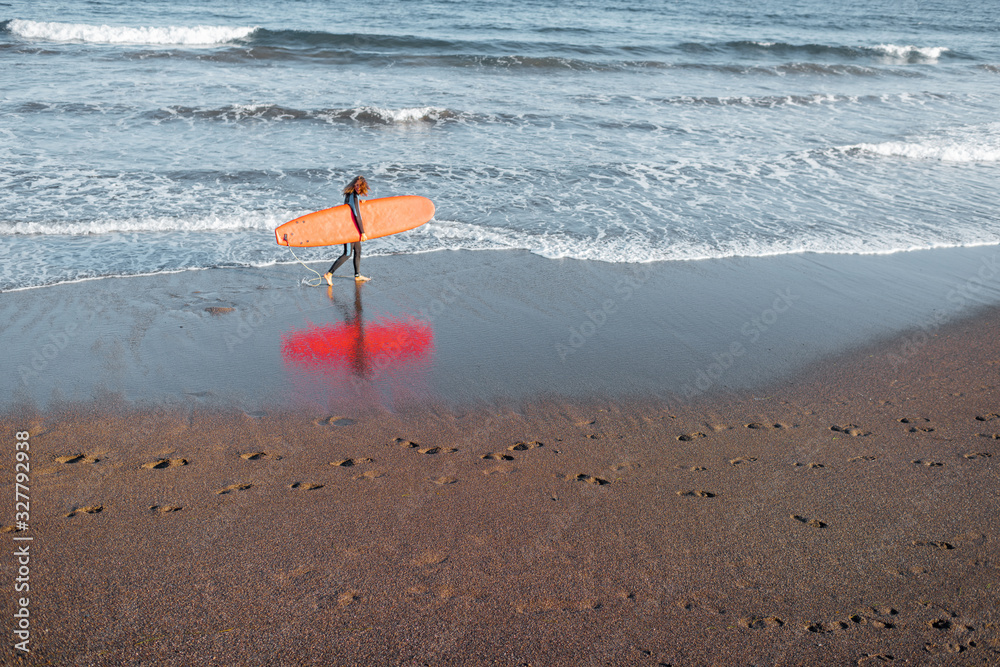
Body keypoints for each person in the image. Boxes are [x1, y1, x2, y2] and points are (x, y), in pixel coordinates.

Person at [324, 175, 371, 285]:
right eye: (357, 185)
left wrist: (360, 201)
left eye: (360, 186)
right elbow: (356, 215)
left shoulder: (351, 195)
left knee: (358, 250)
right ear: (354, 185)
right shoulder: (354, 196)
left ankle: (357, 275)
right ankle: (329, 274)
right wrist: (363, 232)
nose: (358, 187)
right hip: (349, 229)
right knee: (348, 253)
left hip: (353, 228)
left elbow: (350, 208)